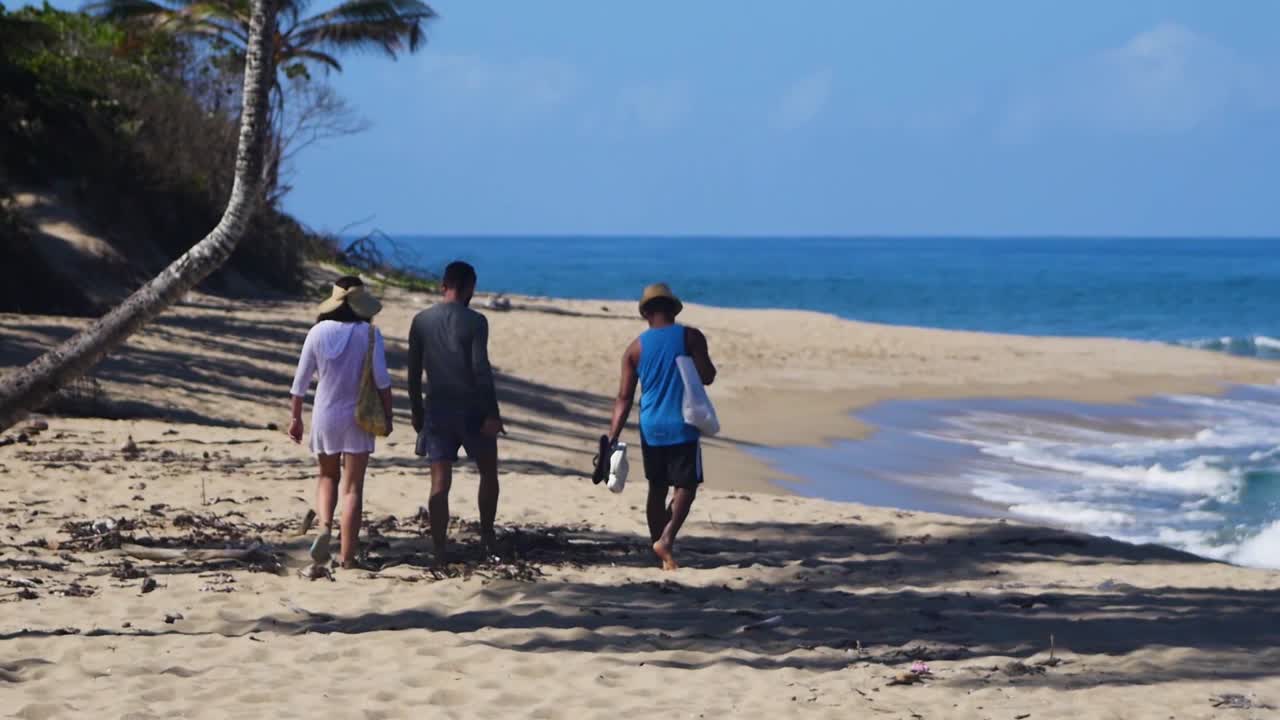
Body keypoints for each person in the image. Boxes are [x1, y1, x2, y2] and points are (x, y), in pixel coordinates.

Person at [606, 283, 717, 570]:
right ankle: (666, 540)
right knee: (686, 485)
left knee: (656, 487)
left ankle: (657, 546)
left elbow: (623, 398)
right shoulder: (690, 336)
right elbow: (707, 376)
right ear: (673, 310)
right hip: (682, 422)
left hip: (651, 425)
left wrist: (612, 436)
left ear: (646, 314)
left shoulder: (634, 348)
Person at [289, 276, 393, 569]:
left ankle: (324, 527)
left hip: (325, 414)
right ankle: (347, 558)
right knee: (353, 488)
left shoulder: (317, 332)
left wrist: (295, 418)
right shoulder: (370, 334)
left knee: (327, 476)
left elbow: (300, 382)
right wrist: (388, 413)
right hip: (359, 416)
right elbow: (382, 380)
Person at [408, 261, 504, 565]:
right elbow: (480, 370)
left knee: (439, 483)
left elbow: (412, 373)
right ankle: (487, 537)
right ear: (469, 287)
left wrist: (416, 411)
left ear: (443, 285)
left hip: (437, 408)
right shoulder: (476, 321)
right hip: (473, 408)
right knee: (488, 472)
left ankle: (439, 549)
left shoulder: (420, 321)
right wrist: (492, 413)